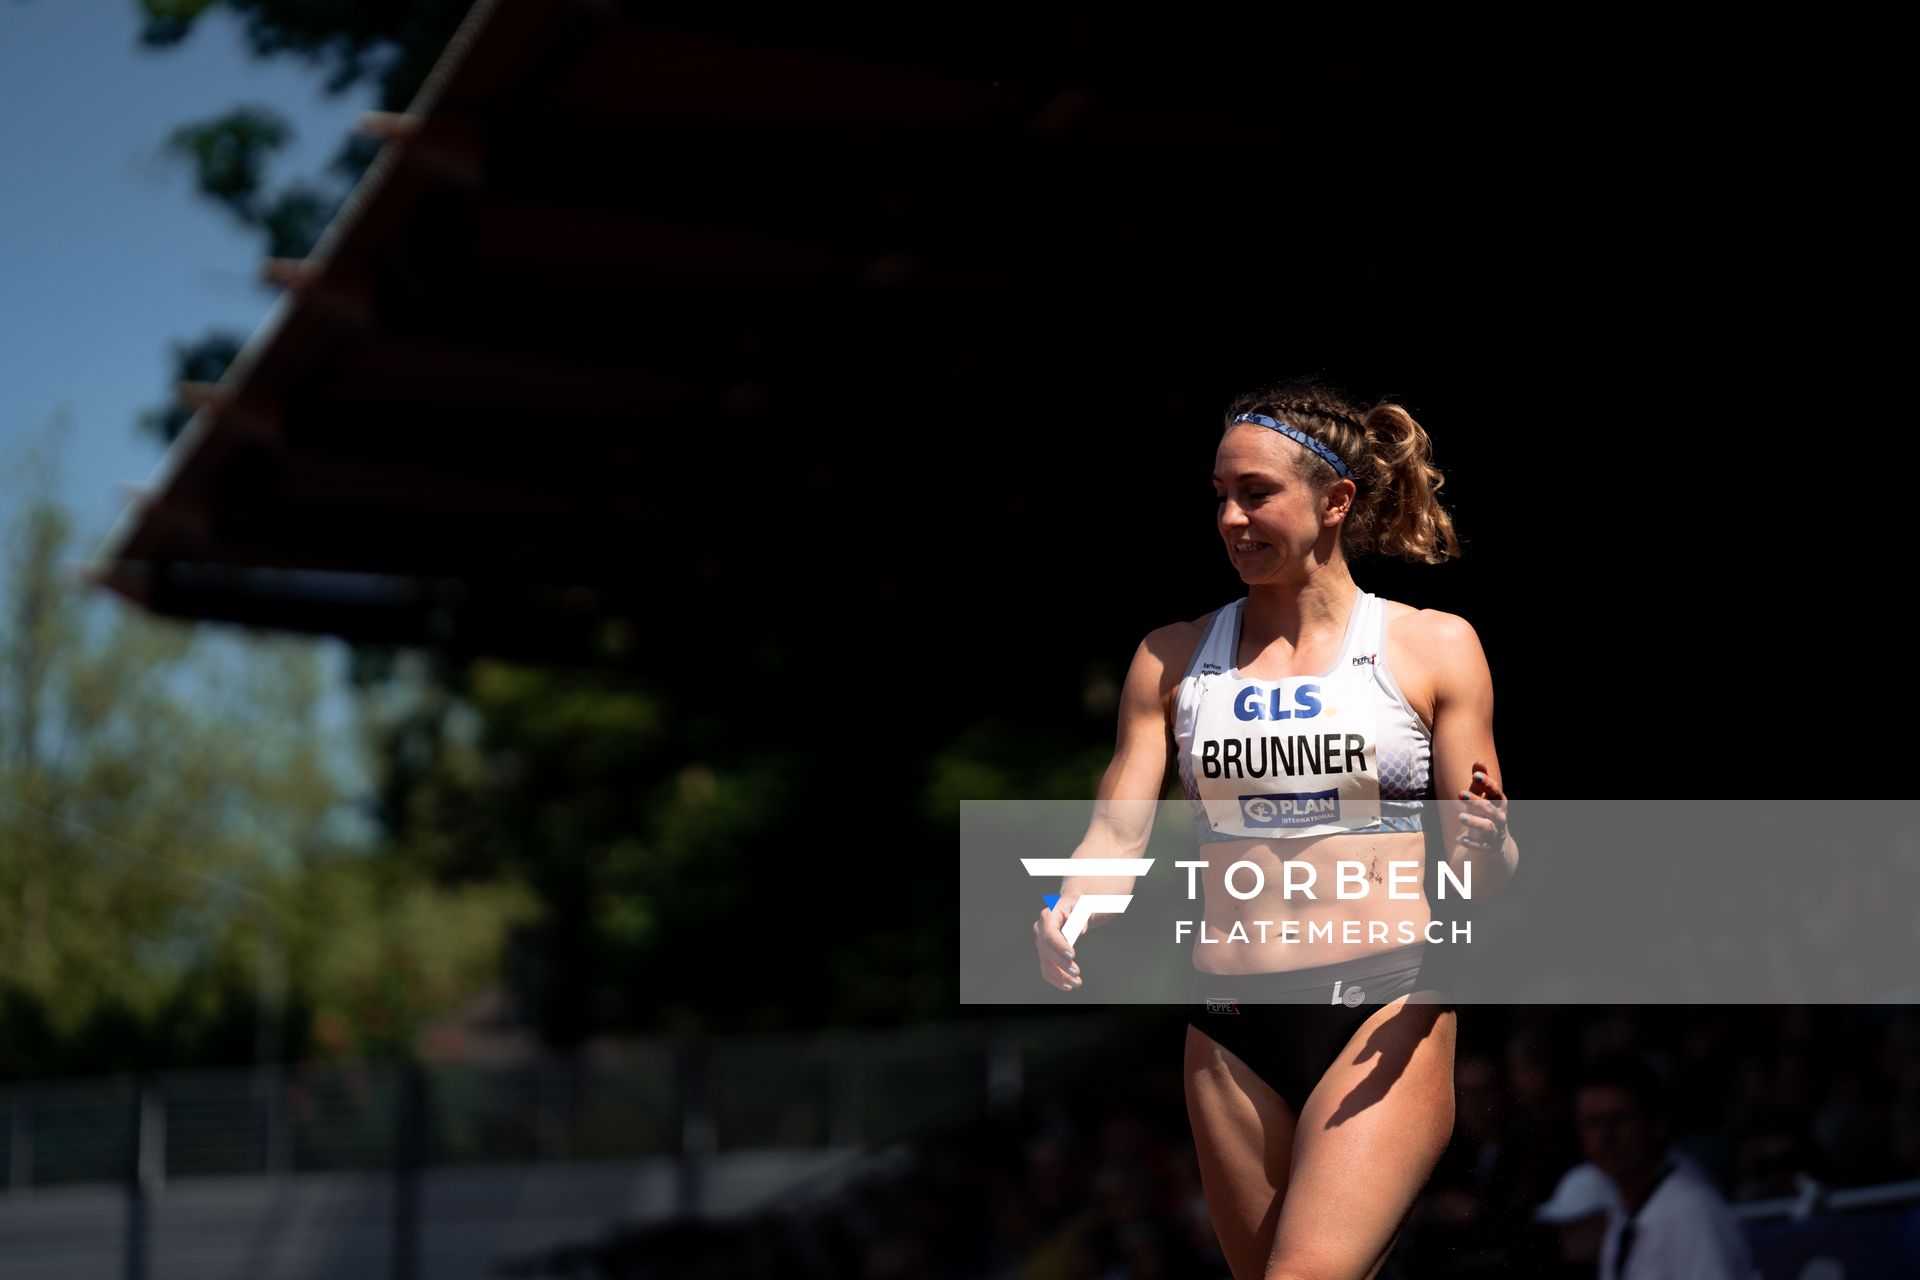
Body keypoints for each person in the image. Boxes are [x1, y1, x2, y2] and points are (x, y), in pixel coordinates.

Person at [1033, 376, 1518, 1280]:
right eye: (1220, 495)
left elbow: (1487, 870)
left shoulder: (1431, 645)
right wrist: (1070, 901)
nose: (1230, 518)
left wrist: (1485, 847)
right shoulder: (1171, 657)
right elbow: (1116, 832)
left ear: (1336, 500)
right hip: (1229, 1028)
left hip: (1385, 1011)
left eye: (1256, 493)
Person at [1577, 1053, 1754, 1280]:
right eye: (1592, 1123)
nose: (1605, 1137)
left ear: (1658, 1123)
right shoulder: (1622, 1213)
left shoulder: (1692, 1211)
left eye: (1619, 1119)